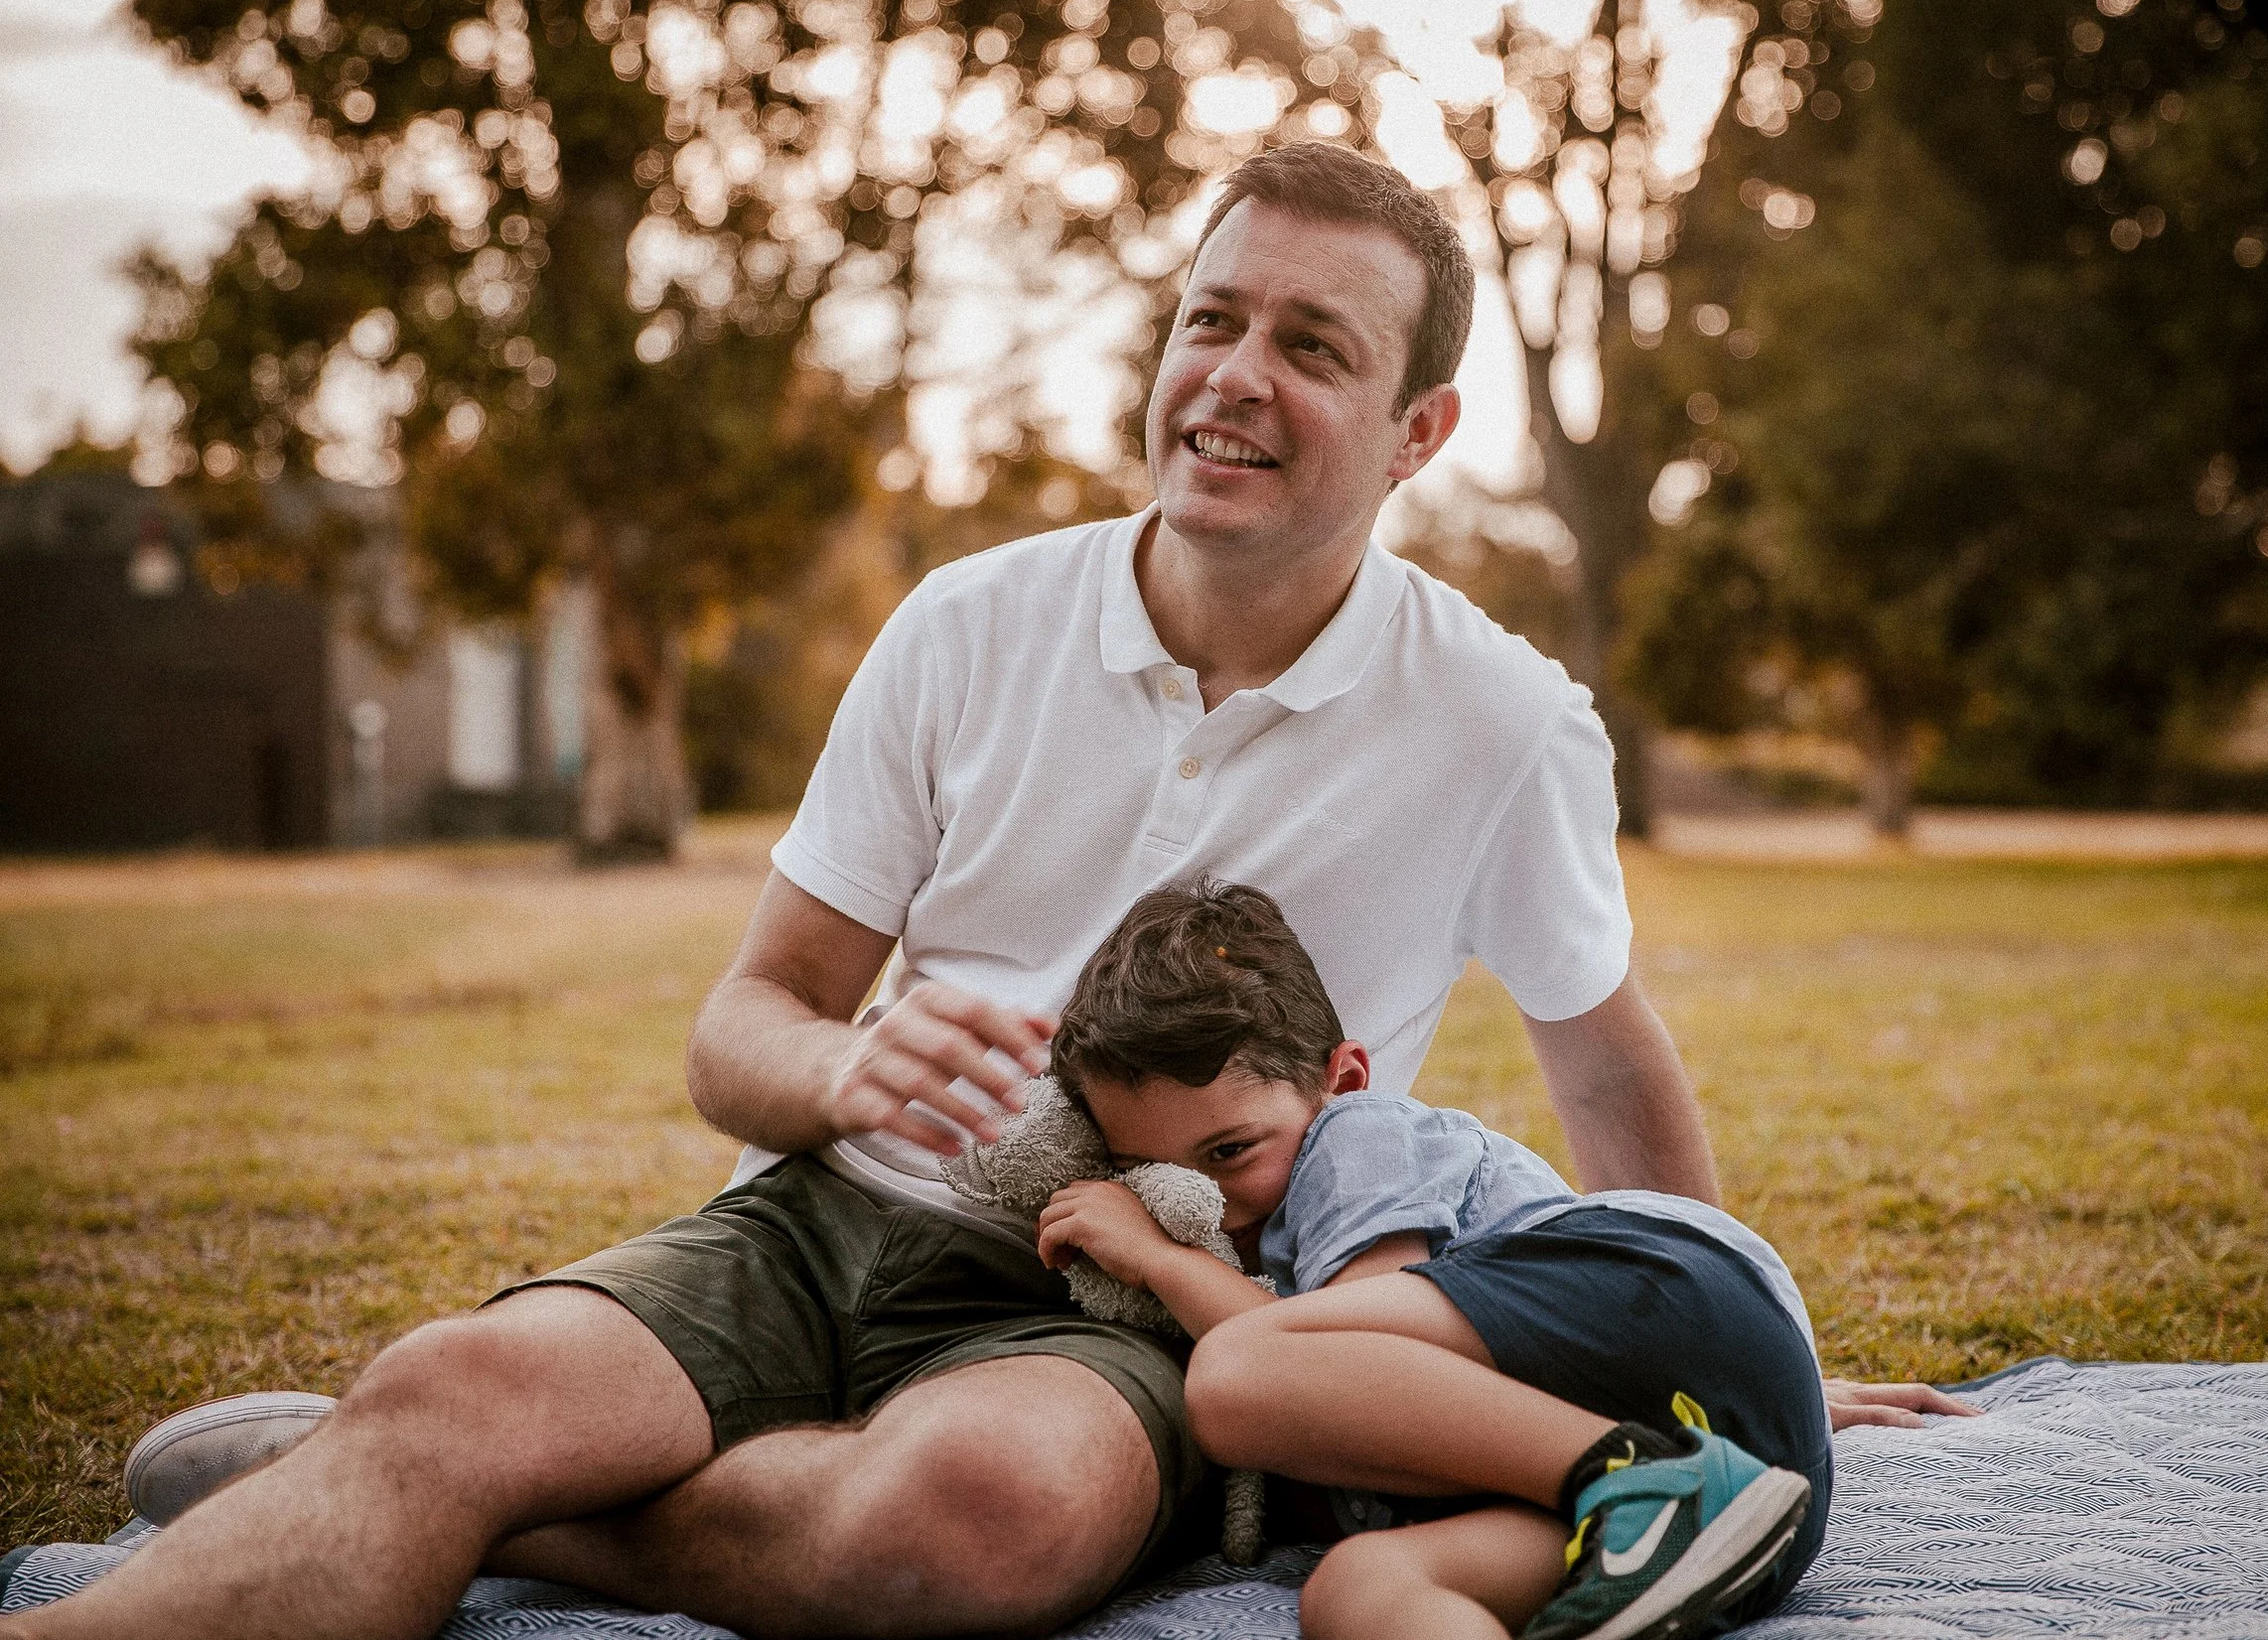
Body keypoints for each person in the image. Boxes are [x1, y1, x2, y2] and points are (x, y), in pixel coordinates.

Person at [5, 143, 1965, 1640]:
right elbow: (743, 1019)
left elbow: (1601, 1050)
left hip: (1131, 1302)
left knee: (970, 1520)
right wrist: (837, 1074)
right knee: (457, 1379)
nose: (1231, 376)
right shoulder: (964, 622)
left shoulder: (1502, 720)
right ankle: (419, 1456)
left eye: (1310, 344)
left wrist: (1725, 1348)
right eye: (1211, 317)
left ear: (1417, 429)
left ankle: (458, 1494)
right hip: (828, 1218)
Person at [1038, 878, 1831, 1640]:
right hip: (1756, 1495)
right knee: (1360, 1587)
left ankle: (1632, 1474)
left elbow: (1347, 1354)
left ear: (1340, 1079)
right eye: (1155, 1172)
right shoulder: (1256, 1235)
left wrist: (1160, 1259)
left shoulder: (1355, 1135)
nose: (1209, 1198)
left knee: (1232, 1374)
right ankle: (1657, 1495)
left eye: (1230, 1150)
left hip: (1675, 1293)